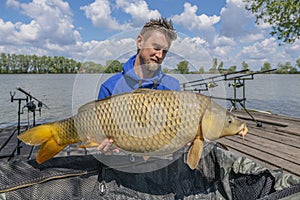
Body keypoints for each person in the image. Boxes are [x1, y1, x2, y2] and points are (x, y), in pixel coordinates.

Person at [97, 17, 181, 153]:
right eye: (156, 48)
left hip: (159, 160)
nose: (159, 55)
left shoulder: (173, 86)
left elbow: (177, 129)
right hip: (122, 161)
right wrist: (104, 146)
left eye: (164, 51)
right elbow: (99, 134)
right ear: (140, 42)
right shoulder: (109, 87)